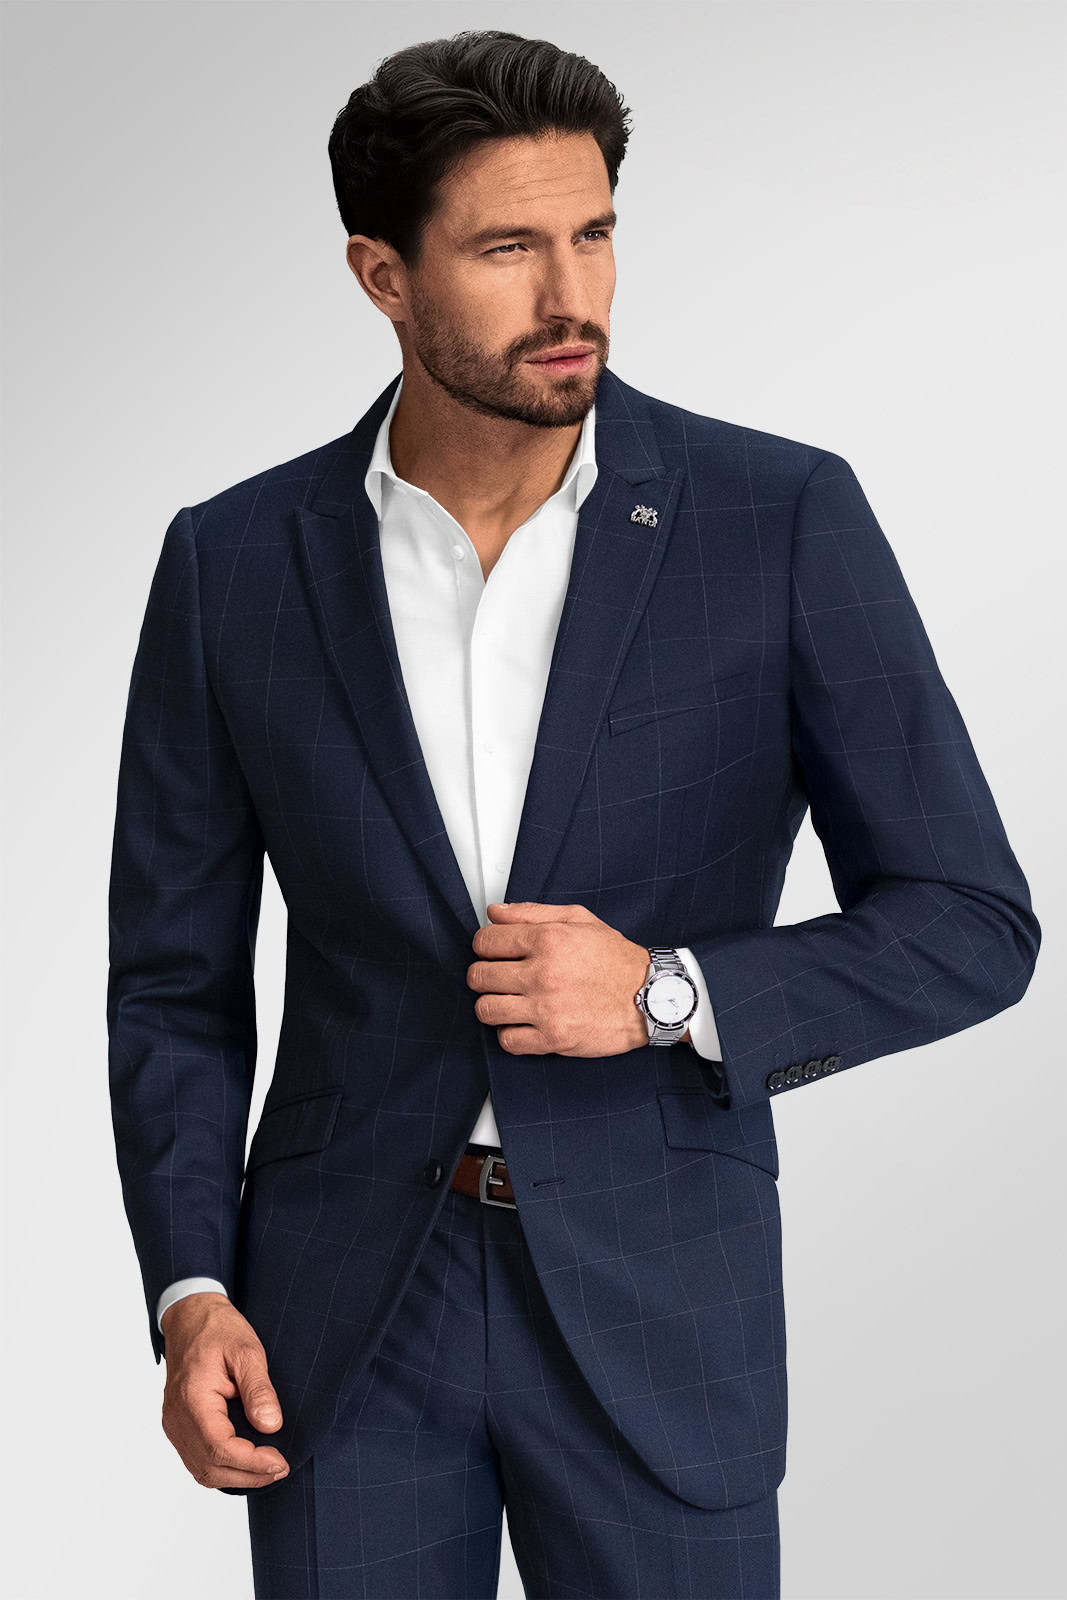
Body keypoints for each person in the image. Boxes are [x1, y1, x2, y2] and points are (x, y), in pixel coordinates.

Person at [107, 28, 1041, 1600]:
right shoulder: (234, 564)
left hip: (660, 1305)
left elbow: (972, 922)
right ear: (382, 275)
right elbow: (172, 986)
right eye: (507, 248)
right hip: (340, 1326)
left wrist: (670, 993)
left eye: (595, 233)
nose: (571, 295)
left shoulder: (777, 520)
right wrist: (190, 1289)